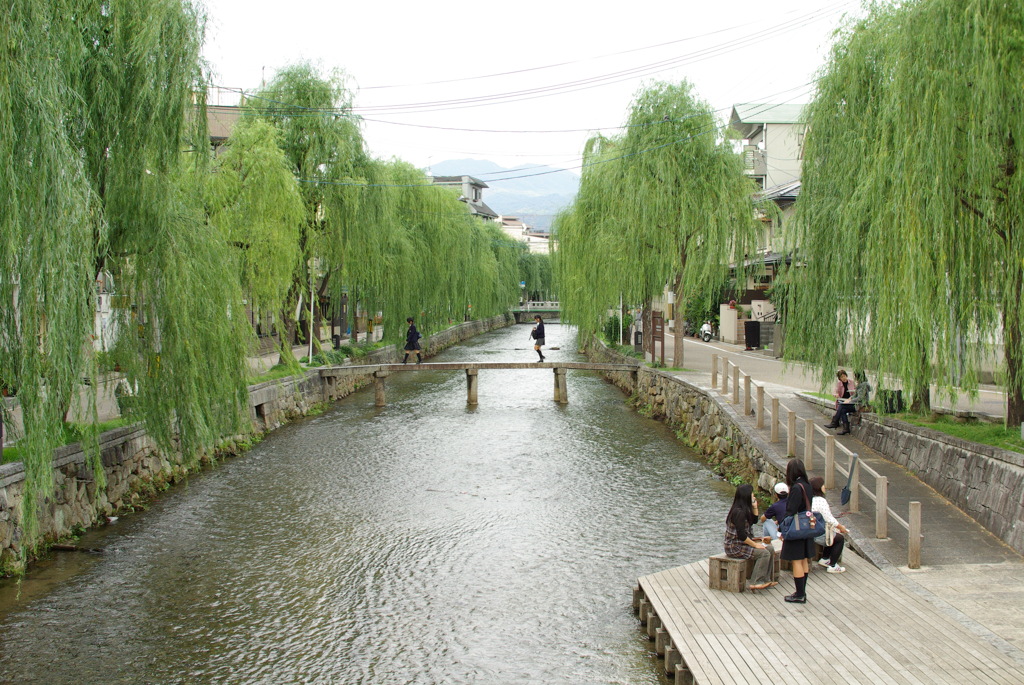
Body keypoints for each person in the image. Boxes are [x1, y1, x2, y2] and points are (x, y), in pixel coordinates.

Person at [724, 484, 778, 591]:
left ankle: (765, 579)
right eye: (751, 494)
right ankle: (756, 581)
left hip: (742, 544)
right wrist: (755, 545)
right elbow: (741, 535)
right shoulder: (738, 512)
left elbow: (754, 521)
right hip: (734, 546)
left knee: (770, 549)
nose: (753, 495)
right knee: (764, 553)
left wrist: (754, 507)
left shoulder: (745, 509)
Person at [781, 458, 815, 603]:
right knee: (804, 560)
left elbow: (791, 510)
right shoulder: (807, 485)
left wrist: (782, 528)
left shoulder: (796, 488)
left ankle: (799, 594)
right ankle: (802, 592)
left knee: (796, 561)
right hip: (806, 527)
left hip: (796, 528)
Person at [809, 476, 849, 573]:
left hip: (809, 529)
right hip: (817, 533)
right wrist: (841, 527)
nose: (824, 487)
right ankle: (833, 565)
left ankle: (825, 559)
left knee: (832, 534)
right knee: (839, 539)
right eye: (822, 485)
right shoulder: (821, 500)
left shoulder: (808, 499)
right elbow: (829, 519)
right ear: (818, 487)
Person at [824, 369, 858, 435]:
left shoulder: (852, 383)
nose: (843, 378)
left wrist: (850, 399)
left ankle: (834, 422)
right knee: (842, 410)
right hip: (842, 401)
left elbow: (856, 393)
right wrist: (836, 394)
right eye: (842, 377)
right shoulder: (839, 384)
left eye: (844, 376)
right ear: (839, 378)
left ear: (846, 375)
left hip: (851, 402)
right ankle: (846, 429)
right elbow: (835, 391)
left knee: (841, 407)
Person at [759, 482, 789, 550]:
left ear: (776, 495)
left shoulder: (775, 506)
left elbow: (762, 519)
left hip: (782, 536)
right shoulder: (793, 503)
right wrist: (778, 521)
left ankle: (766, 543)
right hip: (792, 532)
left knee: (766, 520)